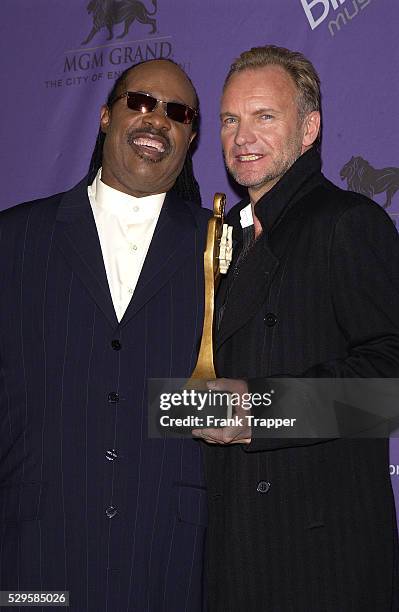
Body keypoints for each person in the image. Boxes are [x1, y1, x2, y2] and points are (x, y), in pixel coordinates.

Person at [0, 59, 210, 611]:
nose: (157, 120)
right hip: (36, 560)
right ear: (104, 116)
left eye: (177, 113)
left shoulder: (225, 246)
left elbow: (276, 398)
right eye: (140, 102)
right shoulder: (15, 238)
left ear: (190, 138)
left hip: (175, 560)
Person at [195, 46, 399, 611]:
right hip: (228, 549)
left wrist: (258, 412)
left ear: (308, 129)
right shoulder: (222, 240)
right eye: (231, 119)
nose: (242, 136)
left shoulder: (348, 223)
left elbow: (390, 384)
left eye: (265, 117)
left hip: (317, 559)